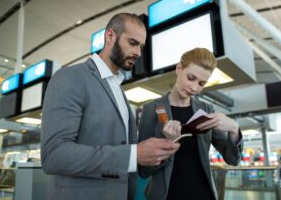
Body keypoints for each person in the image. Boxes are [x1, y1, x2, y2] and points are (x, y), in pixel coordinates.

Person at [41, 13, 180, 200]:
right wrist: (133, 155)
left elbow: (130, 159)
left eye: (141, 46)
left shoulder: (119, 90)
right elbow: (54, 155)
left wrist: (157, 152)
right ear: (110, 36)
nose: (139, 53)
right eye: (132, 43)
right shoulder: (70, 77)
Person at [138, 48, 243, 200]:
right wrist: (168, 142)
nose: (194, 87)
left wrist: (234, 128)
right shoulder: (152, 109)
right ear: (179, 68)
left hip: (203, 193)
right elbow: (144, 170)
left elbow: (232, 159)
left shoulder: (206, 110)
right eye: (191, 78)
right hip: (167, 194)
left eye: (201, 83)